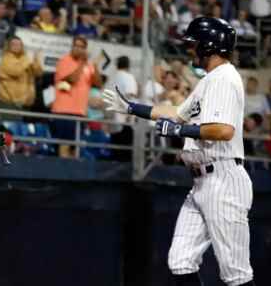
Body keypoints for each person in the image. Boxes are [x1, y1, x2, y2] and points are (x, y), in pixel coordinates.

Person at [103, 17, 256, 286]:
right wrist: (131, 108)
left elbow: (223, 130)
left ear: (208, 46)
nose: (190, 49)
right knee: (181, 261)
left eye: (193, 44)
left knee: (236, 274)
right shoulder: (210, 80)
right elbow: (176, 113)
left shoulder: (224, 78)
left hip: (223, 179)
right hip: (203, 181)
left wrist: (180, 132)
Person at [51, 36, 103, 158]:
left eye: (82, 47)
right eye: (76, 46)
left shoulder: (88, 65)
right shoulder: (64, 61)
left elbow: (99, 84)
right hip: (64, 111)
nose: (78, 49)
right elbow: (72, 80)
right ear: (72, 47)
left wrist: (95, 67)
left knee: (76, 147)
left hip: (80, 112)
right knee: (64, 146)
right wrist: (81, 63)